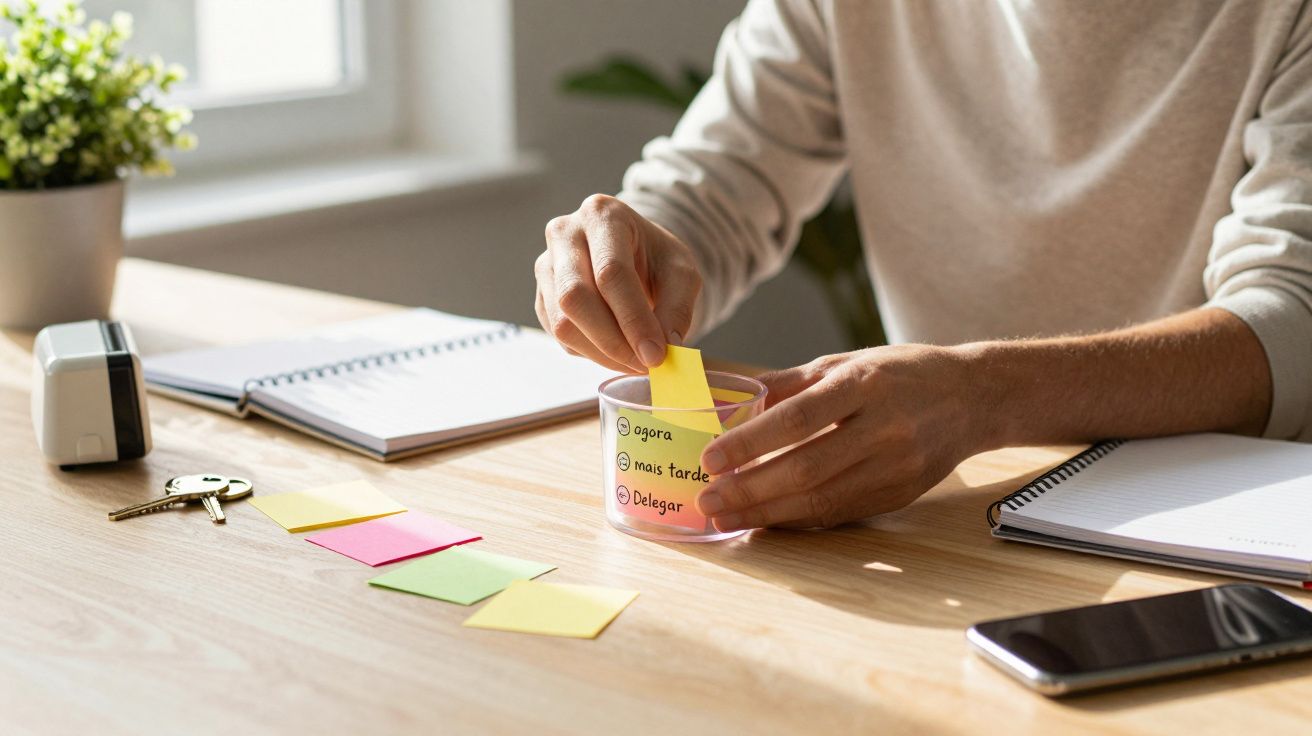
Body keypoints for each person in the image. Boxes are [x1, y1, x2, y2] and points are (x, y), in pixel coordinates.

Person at [532, 0, 1312, 533]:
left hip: (1216, 530)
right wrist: (633, 244)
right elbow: (717, 181)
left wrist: (982, 396)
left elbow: (1292, 321)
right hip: (942, 524)